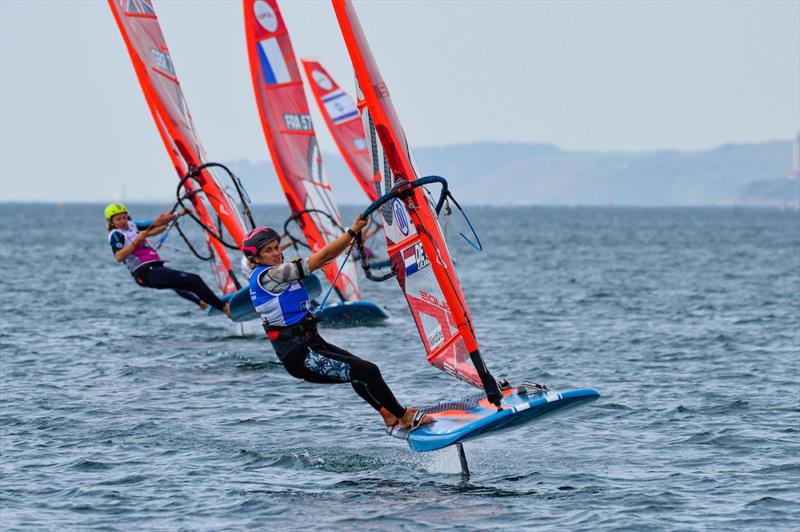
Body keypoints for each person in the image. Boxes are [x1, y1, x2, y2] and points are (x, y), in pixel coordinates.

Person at [242, 216, 434, 433]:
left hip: (312, 345)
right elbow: (323, 256)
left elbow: (323, 259)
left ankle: (388, 414)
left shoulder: (275, 272)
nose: (276, 253)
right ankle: (405, 416)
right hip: (300, 356)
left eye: (276, 247)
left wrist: (345, 244)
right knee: (368, 372)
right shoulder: (271, 275)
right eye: (268, 250)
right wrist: (353, 232)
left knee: (358, 368)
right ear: (256, 257)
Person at [105, 203, 230, 316]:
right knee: (193, 280)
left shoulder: (133, 226)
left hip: (156, 268)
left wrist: (176, 215)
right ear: (111, 222)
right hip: (144, 273)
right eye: (118, 219)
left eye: (124, 217)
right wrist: (136, 240)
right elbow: (119, 256)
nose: (123, 221)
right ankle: (223, 307)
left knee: (190, 283)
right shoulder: (116, 235)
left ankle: (212, 304)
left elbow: (156, 223)